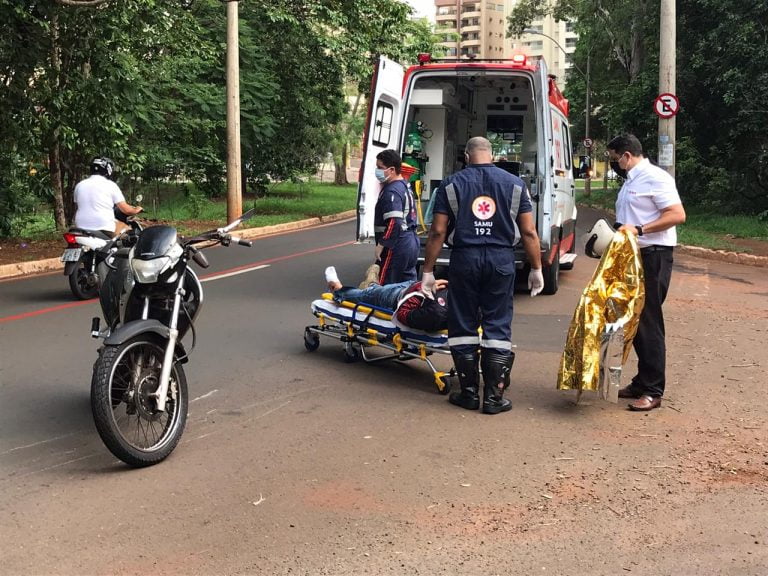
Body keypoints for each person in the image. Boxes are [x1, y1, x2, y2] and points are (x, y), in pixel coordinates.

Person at [421, 136, 544, 415]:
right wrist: (536, 268)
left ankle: (468, 394)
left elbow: (438, 231)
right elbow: (528, 232)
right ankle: (493, 397)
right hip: (501, 260)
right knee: (497, 324)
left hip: (464, 259)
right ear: (492, 155)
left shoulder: (451, 185)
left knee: (462, 323)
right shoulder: (515, 185)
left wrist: (427, 271)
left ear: (466, 155)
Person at [606, 134, 686, 411]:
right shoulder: (631, 180)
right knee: (635, 321)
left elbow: (677, 214)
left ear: (627, 155)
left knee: (649, 321)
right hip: (634, 256)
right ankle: (642, 381)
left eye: (615, 159)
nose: (614, 164)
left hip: (654, 256)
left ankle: (653, 390)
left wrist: (640, 230)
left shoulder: (655, 177)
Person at [324, 266, 448, 332]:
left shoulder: (438, 313)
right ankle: (370, 285)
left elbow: (402, 314)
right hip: (412, 286)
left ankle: (338, 290)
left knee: (366, 295)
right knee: (371, 293)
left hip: (397, 297)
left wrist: (422, 292)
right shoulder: (461, 298)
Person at [373, 149, 419, 284]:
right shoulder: (405, 186)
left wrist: (382, 244)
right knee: (407, 286)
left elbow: (394, 221)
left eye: (380, 168)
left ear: (392, 169)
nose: (377, 171)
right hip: (411, 242)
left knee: (386, 287)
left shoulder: (392, 190)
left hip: (397, 244)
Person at [74, 157, 142, 237]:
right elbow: (126, 210)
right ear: (108, 170)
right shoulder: (111, 185)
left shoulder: (79, 185)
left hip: (80, 226)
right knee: (128, 231)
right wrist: (137, 209)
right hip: (103, 226)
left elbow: (79, 205)